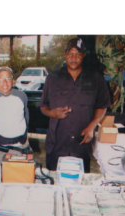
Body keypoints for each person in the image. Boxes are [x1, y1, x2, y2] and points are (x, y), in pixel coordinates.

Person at [40, 37, 111, 172]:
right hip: (56, 145)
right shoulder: (52, 78)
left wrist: (92, 126)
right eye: (70, 54)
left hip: (82, 145)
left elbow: (102, 105)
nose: (74, 58)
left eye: (78, 54)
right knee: (54, 184)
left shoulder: (96, 78)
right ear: (65, 55)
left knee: (79, 188)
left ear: (83, 56)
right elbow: (43, 106)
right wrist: (52, 113)